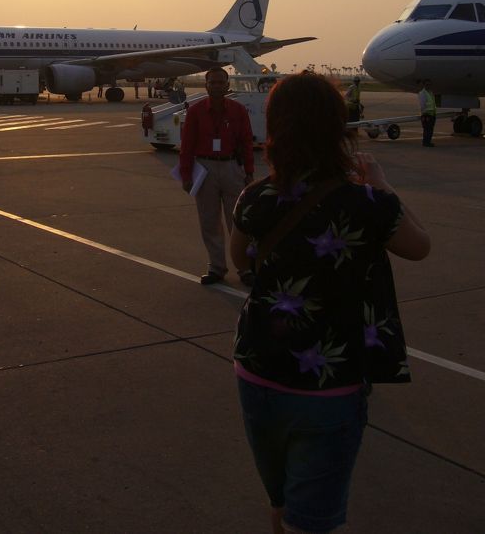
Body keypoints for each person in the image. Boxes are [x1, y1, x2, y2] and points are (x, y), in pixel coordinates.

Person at [230, 72, 430, 534]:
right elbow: (420, 246)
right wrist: (381, 185)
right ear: (335, 127)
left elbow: (240, 258)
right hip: (327, 384)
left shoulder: (256, 197)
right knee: (313, 520)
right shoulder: (364, 202)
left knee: (281, 503)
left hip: (257, 370)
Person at [179, 66, 255, 286]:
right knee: (209, 220)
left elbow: (246, 143)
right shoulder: (196, 112)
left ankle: (245, 267)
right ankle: (216, 267)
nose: (216, 86)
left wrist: (249, 172)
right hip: (205, 168)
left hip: (231, 166)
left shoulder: (238, 111)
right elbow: (187, 146)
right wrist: (186, 175)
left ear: (227, 85)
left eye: (220, 82)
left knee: (238, 222)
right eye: (212, 82)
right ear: (206, 86)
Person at [418, 78, 436, 147]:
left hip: (432, 114)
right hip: (426, 114)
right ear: (424, 85)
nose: (428, 86)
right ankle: (426, 142)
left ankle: (428, 142)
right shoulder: (422, 93)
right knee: (427, 129)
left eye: (429, 84)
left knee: (430, 129)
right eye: (427, 84)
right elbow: (422, 105)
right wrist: (424, 114)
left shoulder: (430, 92)